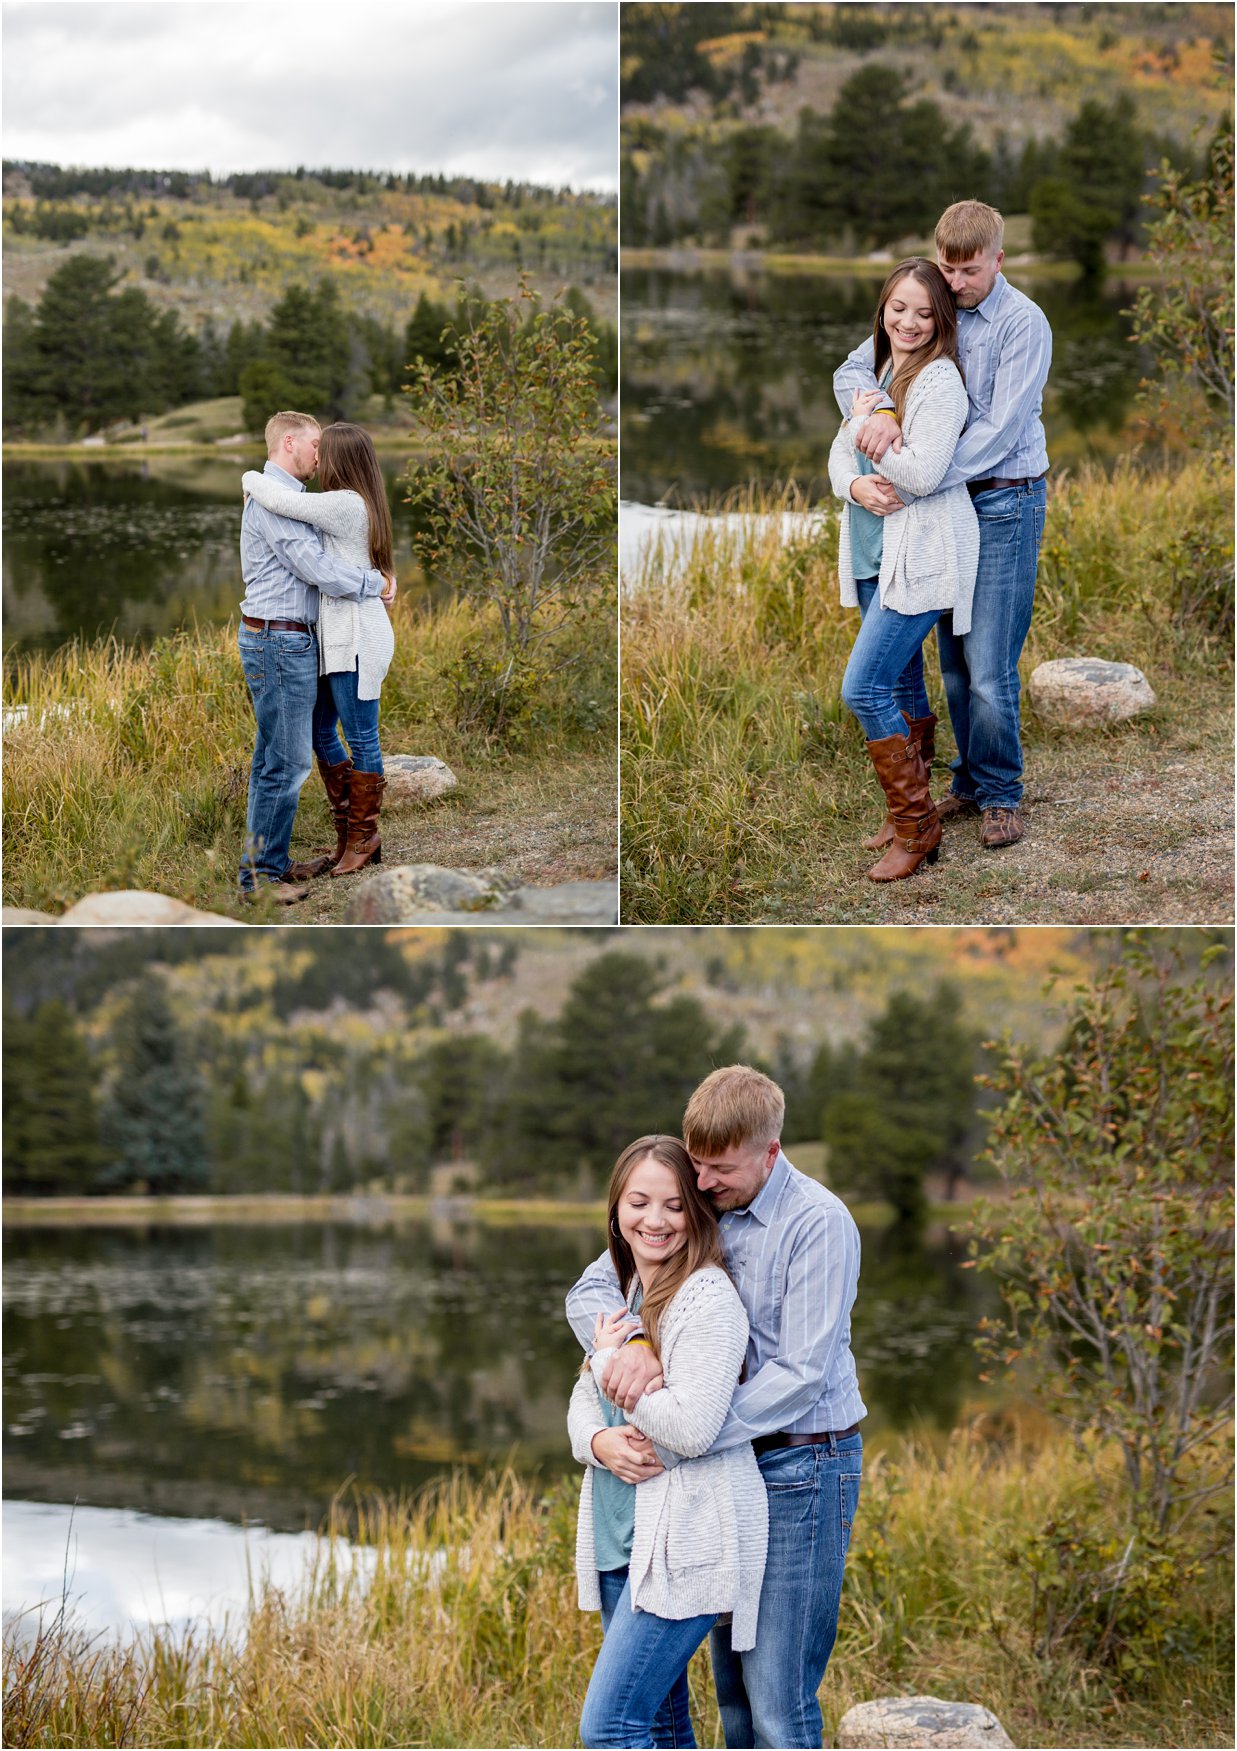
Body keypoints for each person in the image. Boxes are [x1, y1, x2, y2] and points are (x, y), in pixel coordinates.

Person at [567, 1067, 864, 1751]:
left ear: (770, 1150)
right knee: (730, 1696)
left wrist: (680, 1431)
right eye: (694, 1164)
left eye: (718, 1169)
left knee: (776, 1702)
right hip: (729, 1472)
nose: (700, 1183)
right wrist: (634, 1339)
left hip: (802, 1458)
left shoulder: (816, 1223)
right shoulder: (706, 1206)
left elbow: (798, 1373)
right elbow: (590, 1288)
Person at [834, 200, 1052, 851]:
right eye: (947, 269)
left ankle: (1001, 794)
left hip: (1004, 500)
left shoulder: (1022, 322)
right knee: (953, 664)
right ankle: (967, 779)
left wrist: (908, 466)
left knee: (987, 666)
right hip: (944, 509)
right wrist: (875, 412)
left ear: (997, 260)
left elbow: (994, 435)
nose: (954, 284)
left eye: (968, 271)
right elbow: (855, 368)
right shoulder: (931, 305)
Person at [569, 1134, 768, 1750]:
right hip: (619, 1538)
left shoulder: (706, 1298)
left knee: (609, 1728)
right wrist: (599, 1442)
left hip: (681, 1544)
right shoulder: (626, 1288)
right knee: (659, 1722)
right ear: (615, 1210)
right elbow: (581, 1397)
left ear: (697, 1212)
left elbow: (692, 1427)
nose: (654, 1220)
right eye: (639, 1202)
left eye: (675, 1205)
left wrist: (608, 1361)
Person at [828, 258, 979, 881]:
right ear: (883, 309)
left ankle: (918, 829)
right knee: (899, 686)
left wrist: (870, 422)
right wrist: (857, 487)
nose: (909, 321)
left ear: (941, 317)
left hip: (917, 557)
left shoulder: (940, 381)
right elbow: (840, 454)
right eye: (898, 308)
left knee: (861, 688)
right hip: (872, 549)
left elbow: (924, 473)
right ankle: (905, 817)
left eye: (923, 312)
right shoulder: (884, 368)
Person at [237, 410, 395, 902]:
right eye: (313, 447)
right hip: (280, 641)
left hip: (303, 640)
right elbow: (315, 567)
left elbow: (332, 557)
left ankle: (278, 865)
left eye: (325, 450)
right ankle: (263, 877)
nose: (317, 456)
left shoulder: (309, 501)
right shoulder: (274, 500)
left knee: (281, 758)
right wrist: (375, 582)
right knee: (283, 762)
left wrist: (376, 580)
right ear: (290, 442)